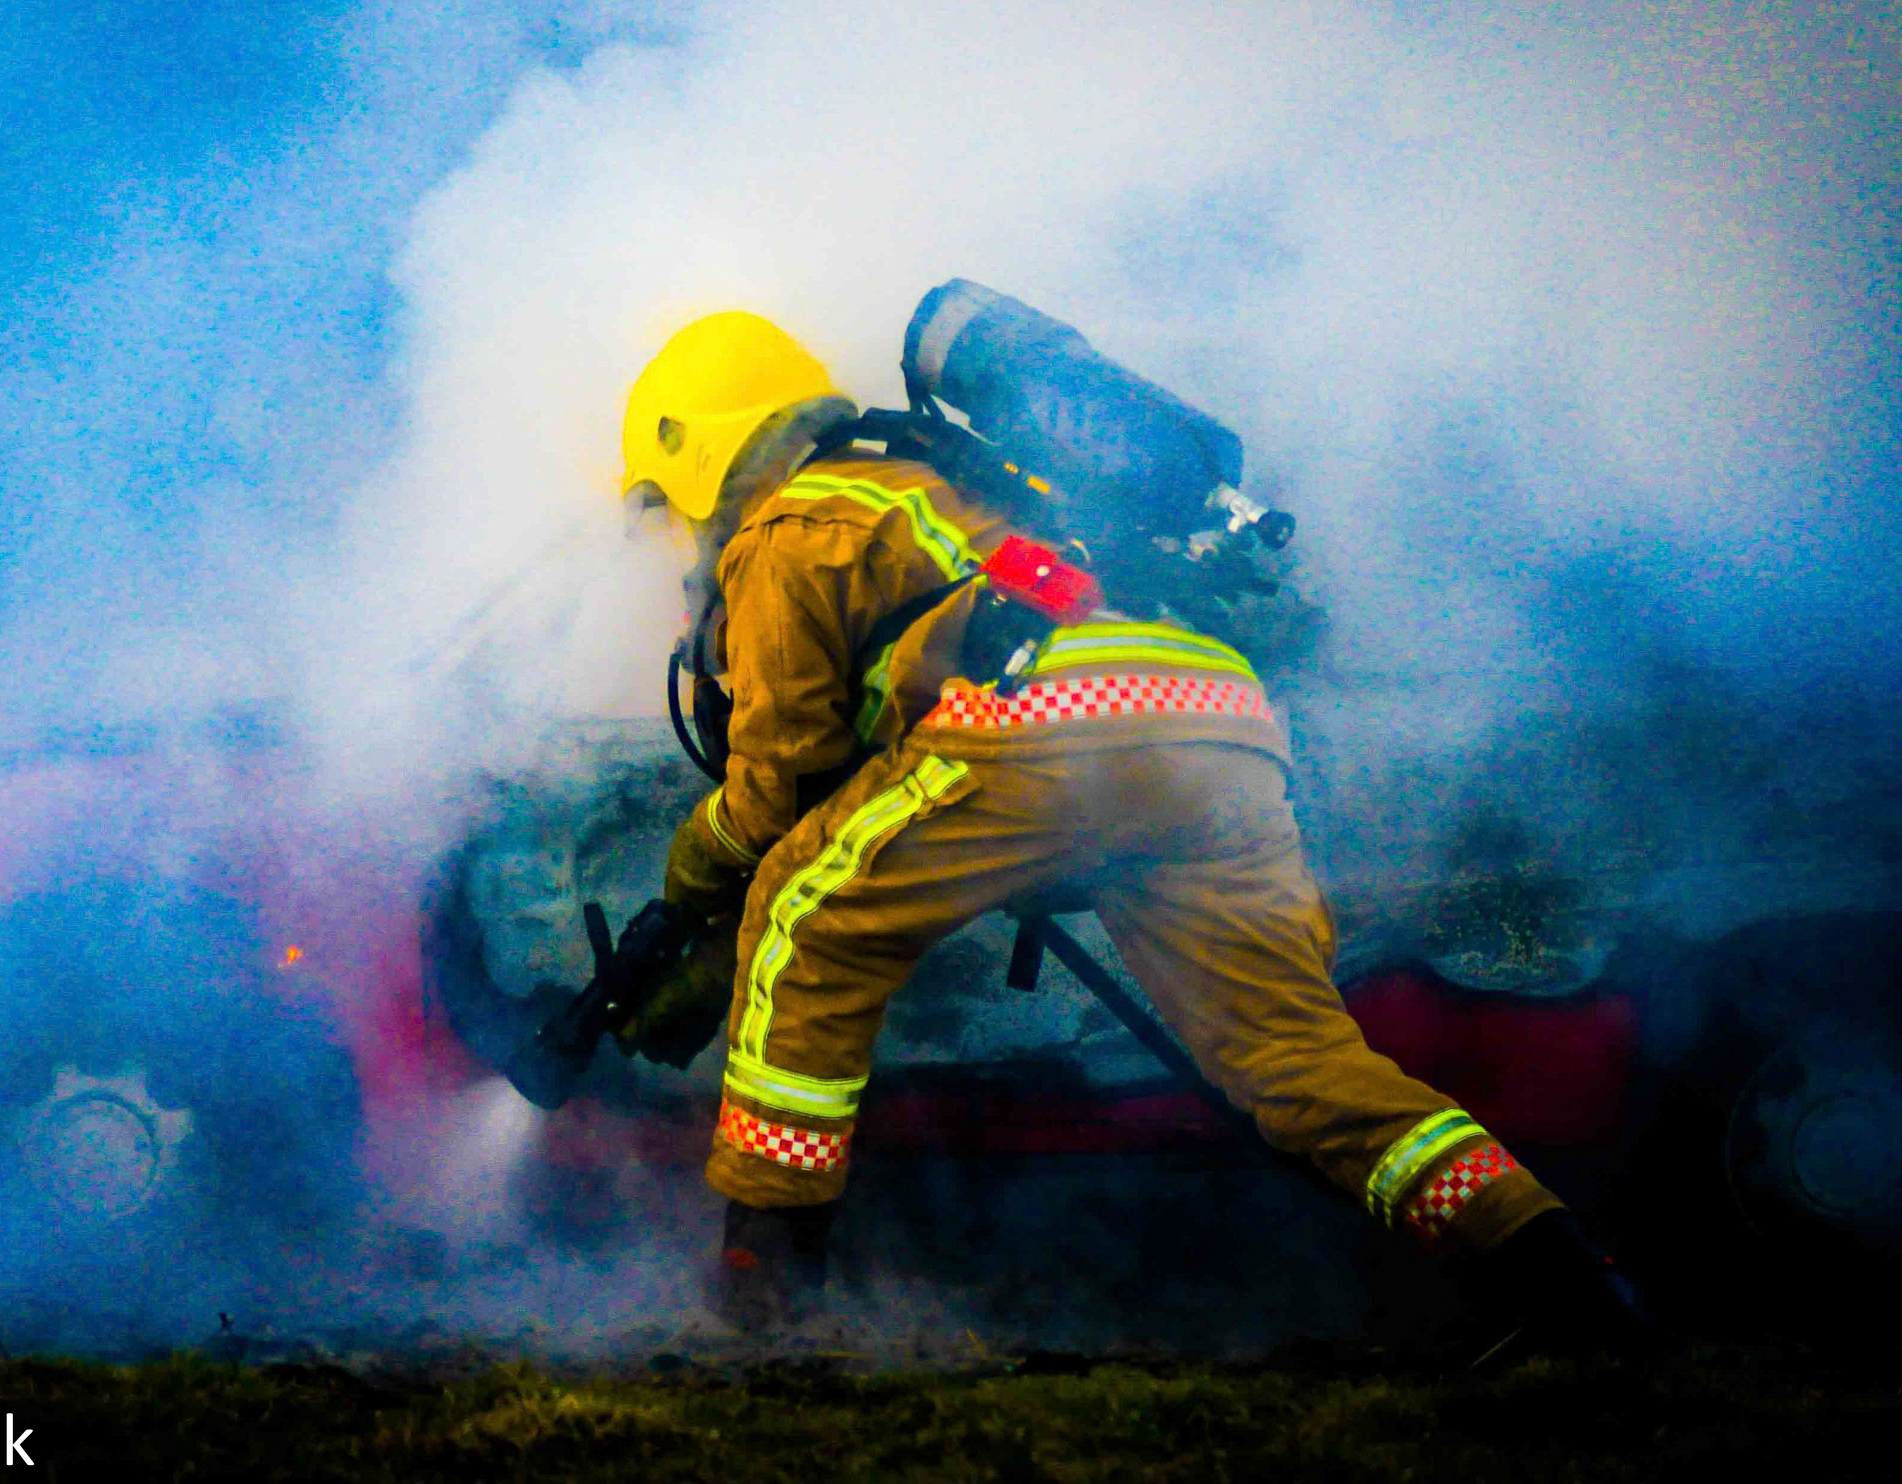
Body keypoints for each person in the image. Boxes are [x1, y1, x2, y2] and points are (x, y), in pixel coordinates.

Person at [613, 307, 1643, 1347]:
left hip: (1053, 701)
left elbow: (771, 790)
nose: (677, 544)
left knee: (804, 917)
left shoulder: (791, 525)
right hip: (1216, 716)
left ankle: (764, 1303)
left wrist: (689, 890)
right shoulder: (945, 481)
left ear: (695, 452)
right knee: (1295, 1056)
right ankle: (1563, 1274)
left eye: (664, 510)